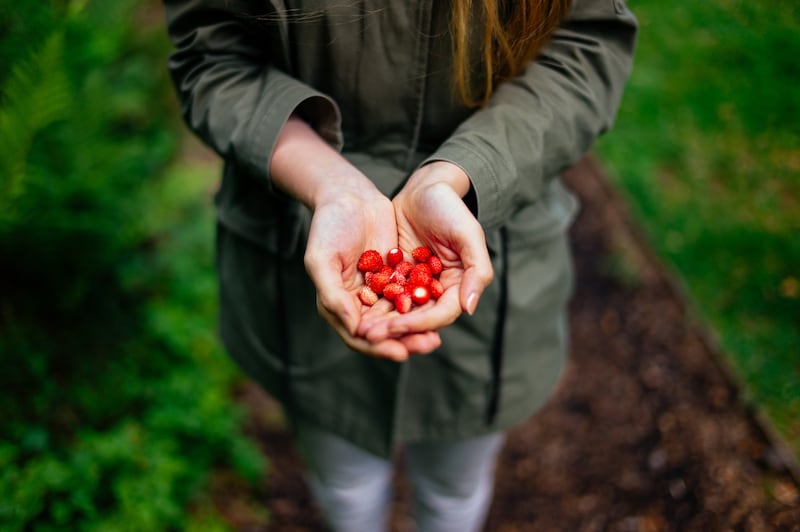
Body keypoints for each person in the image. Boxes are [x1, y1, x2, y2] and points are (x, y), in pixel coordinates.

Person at [162, 0, 637, 530]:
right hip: (296, 252)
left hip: (498, 244)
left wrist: (464, 173)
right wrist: (328, 183)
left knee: (455, 487)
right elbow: (211, 59)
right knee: (344, 482)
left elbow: (586, 51)